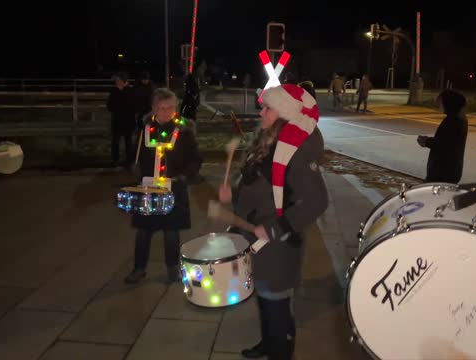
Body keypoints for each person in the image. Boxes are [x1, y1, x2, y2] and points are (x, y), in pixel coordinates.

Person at [218, 84, 328, 360]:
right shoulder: (269, 140)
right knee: (266, 298)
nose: (261, 111)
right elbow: (259, 180)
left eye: (268, 107)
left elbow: (316, 201)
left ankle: (280, 350)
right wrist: (235, 192)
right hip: (258, 239)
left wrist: (274, 229)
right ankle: (268, 343)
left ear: (284, 113)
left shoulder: (295, 151)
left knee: (276, 302)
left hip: (278, 244)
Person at [125, 88, 202, 284]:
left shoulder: (184, 131)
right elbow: (137, 154)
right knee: (143, 231)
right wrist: (136, 169)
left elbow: (195, 159)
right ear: (153, 108)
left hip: (174, 188)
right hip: (148, 189)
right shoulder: (145, 130)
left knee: (171, 231)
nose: (167, 112)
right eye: (162, 108)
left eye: (170, 108)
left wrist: (185, 176)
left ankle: (172, 268)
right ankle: (139, 269)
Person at [417, 90, 468, 184]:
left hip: (443, 172)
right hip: (449, 170)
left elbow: (445, 145)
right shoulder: (456, 118)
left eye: (440, 103)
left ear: (449, 103)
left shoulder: (453, 121)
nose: (438, 106)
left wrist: (426, 141)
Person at [107, 72, 136, 166]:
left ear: (124, 81)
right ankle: (115, 159)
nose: (117, 82)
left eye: (119, 80)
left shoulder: (130, 91)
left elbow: (134, 106)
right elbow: (109, 106)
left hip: (128, 120)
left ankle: (129, 160)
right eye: (116, 80)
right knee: (115, 141)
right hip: (117, 120)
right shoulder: (114, 92)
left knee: (128, 141)